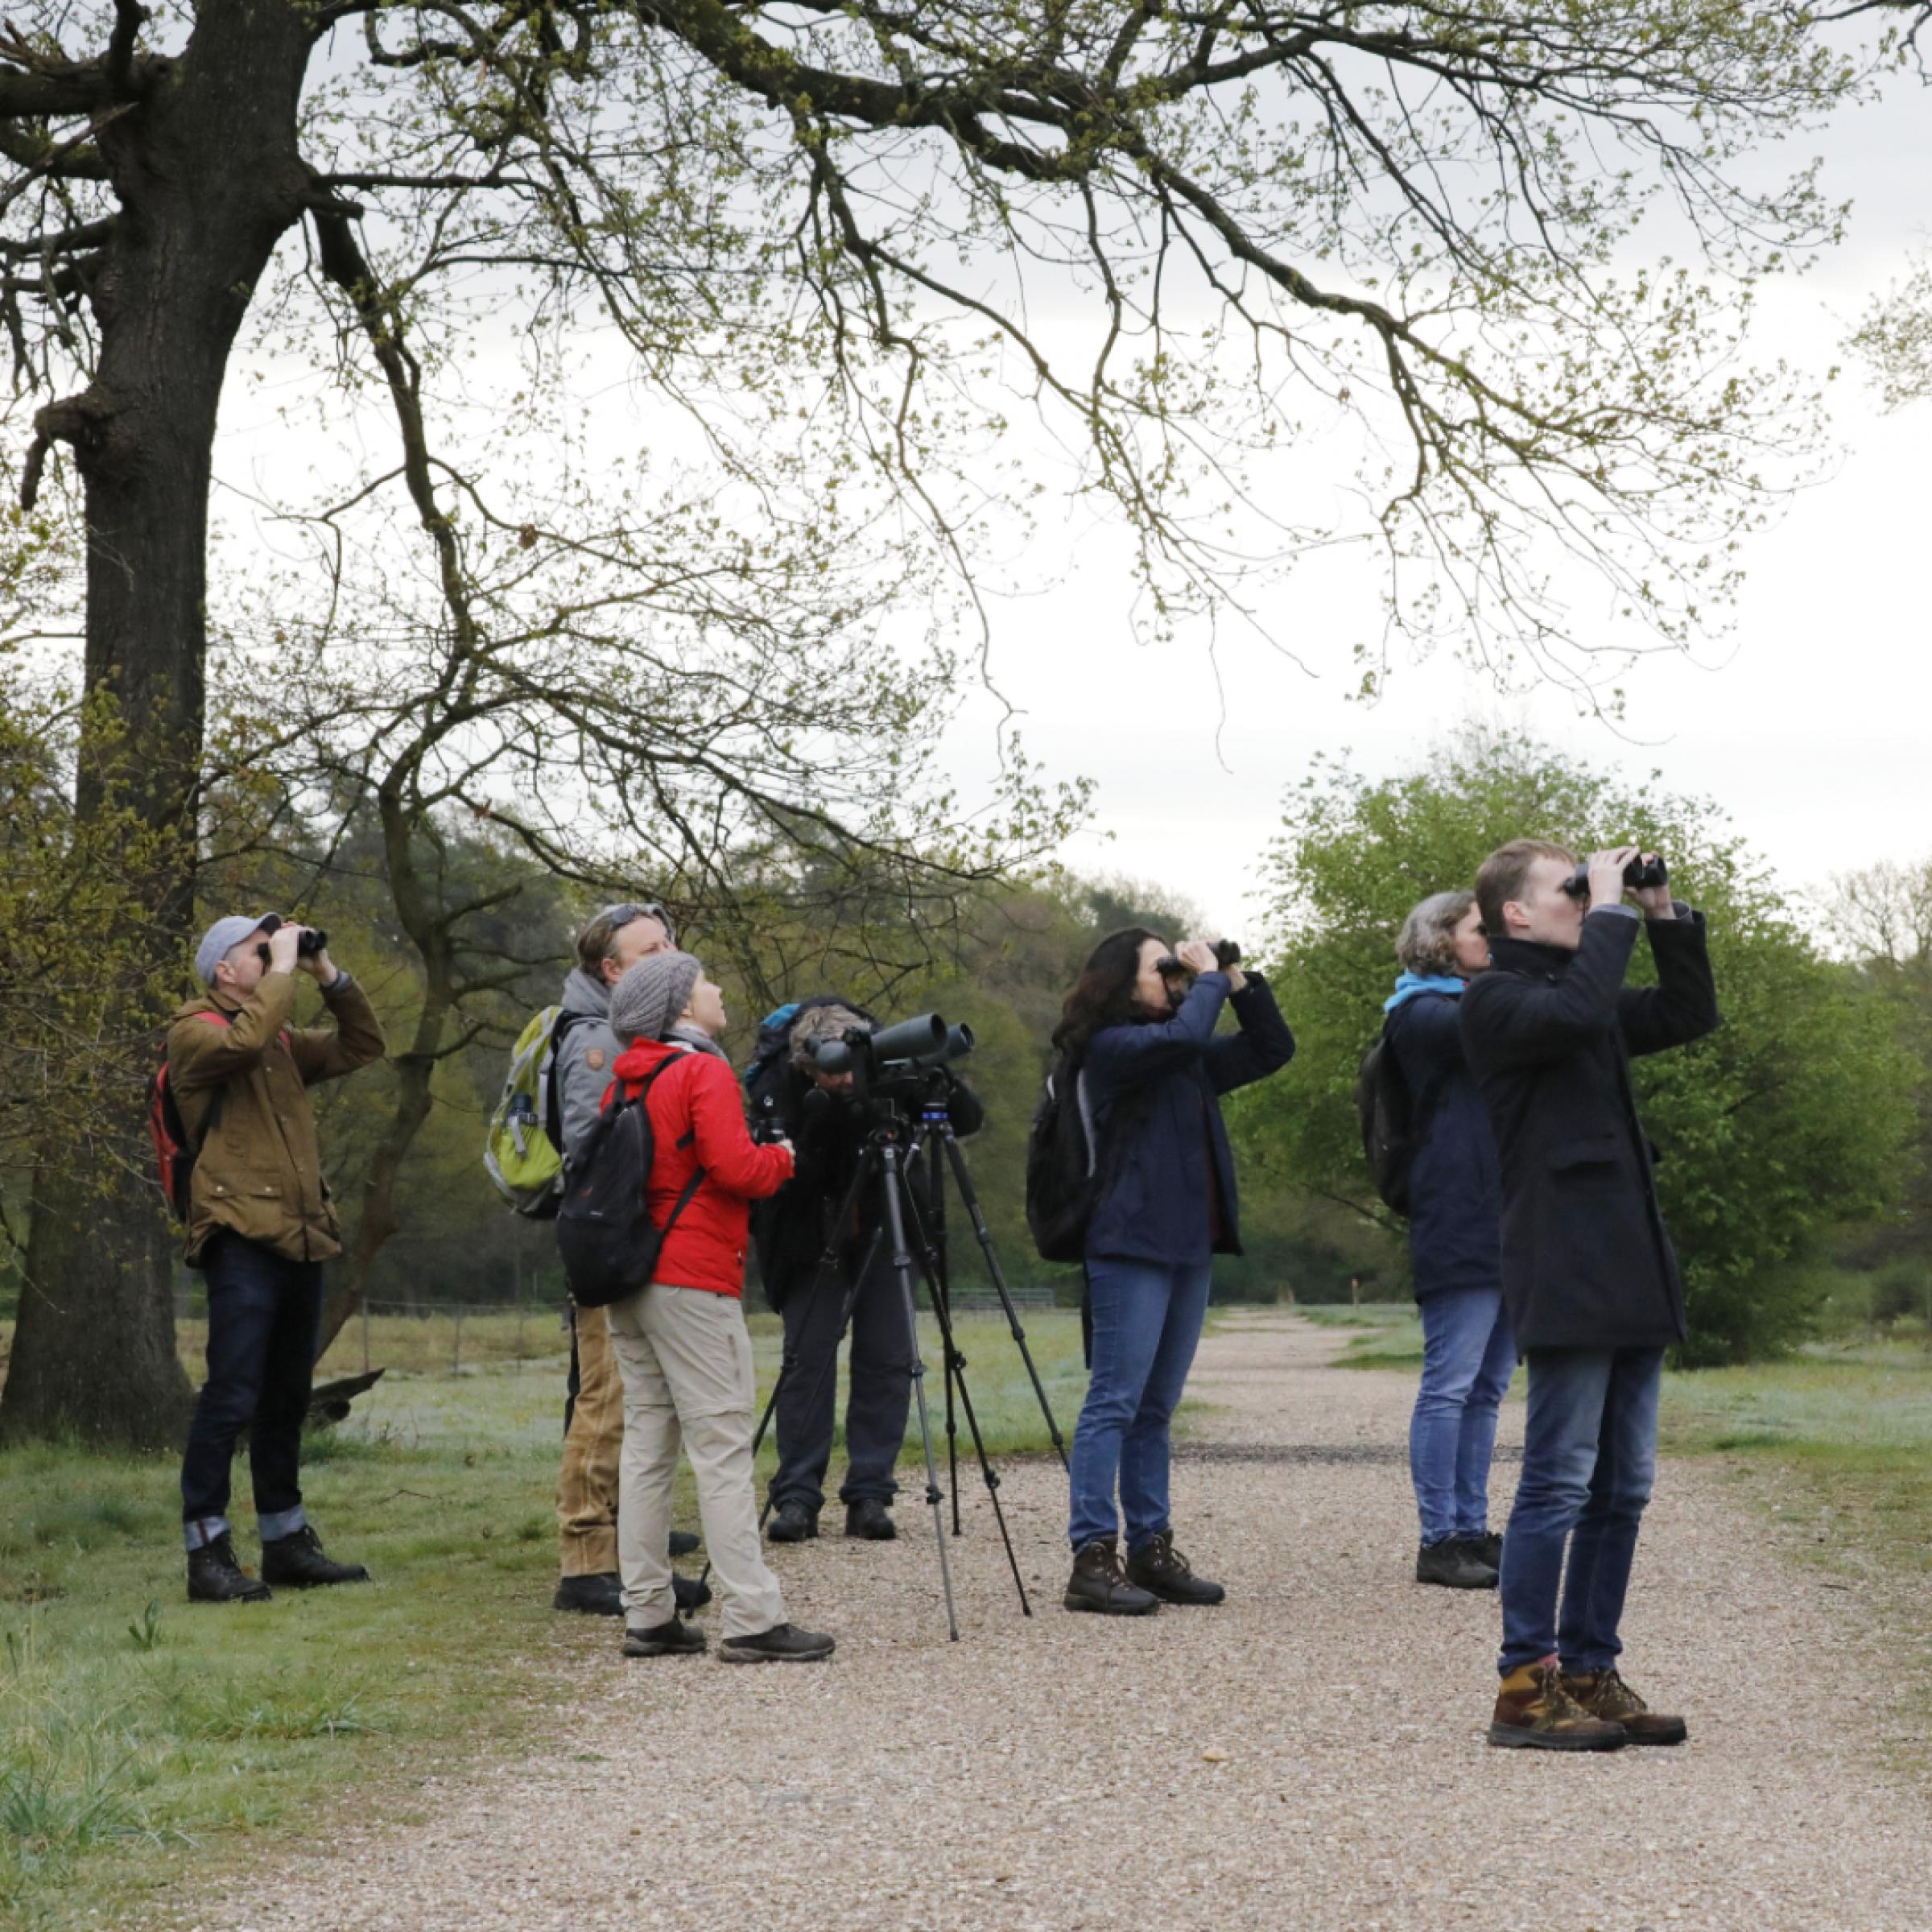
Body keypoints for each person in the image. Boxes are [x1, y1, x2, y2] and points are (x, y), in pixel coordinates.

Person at [1461, 841, 1718, 1749]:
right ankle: (1525, 1690)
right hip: (1566, 1263)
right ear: (1516, 916)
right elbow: (1571, 1019)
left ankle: (1593, 1669)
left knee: (1624, 1487)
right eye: (1566, 889)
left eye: (1587, 885)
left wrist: (1658, 914)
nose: (1583, 898)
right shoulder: (1496, 999)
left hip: (1627, 1263)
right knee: (1559, 1481)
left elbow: (1690, 1012)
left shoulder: (1584, 994)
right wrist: (1608, 911)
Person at [599, 952, 835, 1663]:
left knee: (647, 1446)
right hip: (694, 1279)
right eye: (704, 983)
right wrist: (784, 1159)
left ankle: (647, 1613)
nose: (719, 989)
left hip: (632, 1279)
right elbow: (736, 1169)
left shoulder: (625, 1081)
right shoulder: (701, 1070)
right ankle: (753, 1618)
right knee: (724, 1448)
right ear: (678, 1006)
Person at [1053, 931, 1294, 1614]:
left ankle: (1150, 1548)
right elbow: (1185, 1039)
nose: (1175, 976)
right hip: (1129, 1243)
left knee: (1156, 1408)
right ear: (1122, 983)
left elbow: (1272, 1049)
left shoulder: (1178, 1056)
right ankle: (1092, 1557)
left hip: (1187, 1246)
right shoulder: (1110, 1049)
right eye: (1161, 968)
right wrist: (1209, 979)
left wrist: (1238, 980)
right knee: (1115, 1401)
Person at [171, 913, 385, 1602]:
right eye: (258, 952)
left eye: (275, 948)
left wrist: (327, 974)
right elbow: (248, 1035)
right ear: (223, 972)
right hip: (238, 1233)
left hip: (300, 1232)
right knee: (231, 1394)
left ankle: (285, 1543)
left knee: (286, 1398)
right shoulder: (194, 1033)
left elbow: (363, 1045)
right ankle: (207, 1554)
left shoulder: (281, 1039)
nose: (272, 958)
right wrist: (286, 972)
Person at [753, 1000, 985, 1544]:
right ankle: (797, 1496)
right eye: (826, 1072)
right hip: (808, 1234)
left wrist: (934, 1077)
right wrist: (827, 1115)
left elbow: (969, 1118)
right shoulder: (777, 1086)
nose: (840, 1078)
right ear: (804, 1065)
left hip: (889, 1222)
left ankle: (871, 1493)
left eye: (848, 1068)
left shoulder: (886, 1070)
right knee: (807, 1361)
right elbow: (789, 1176)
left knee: (888, 1356)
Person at [549, 900, 700, 1617]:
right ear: (611, 970)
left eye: (670, 944)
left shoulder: (638, 1032)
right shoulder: (595, 1041)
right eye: (649, 951)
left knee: (639, 1403)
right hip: (611, 1244)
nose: (668, 954)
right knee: (605, 1401)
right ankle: (585, 1562)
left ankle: (628, 1541)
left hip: (638, 1242)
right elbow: (591, 1146)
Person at [1382, 890, 1515, 1591]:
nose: (1490, 939)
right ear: (1440, 940)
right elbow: (1493, 1026)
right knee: (1450, 1386)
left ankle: (1470, 1527)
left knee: (1488, 1388)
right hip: (1458, 1215)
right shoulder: (1420, 1014)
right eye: (1478, 930)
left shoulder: (1468, 1003)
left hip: (1507, 1216)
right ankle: (1438, 1539)